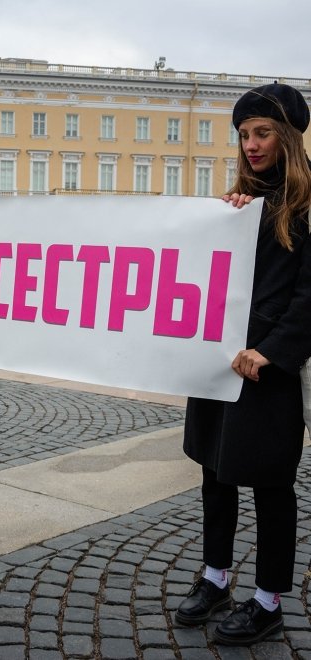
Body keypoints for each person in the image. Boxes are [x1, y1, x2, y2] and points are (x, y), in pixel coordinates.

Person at [176, 83, 311, 646]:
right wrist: (223, 225)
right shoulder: (237, 203)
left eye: (263, 133)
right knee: (215, 471)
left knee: (271, 483)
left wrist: (274, 350)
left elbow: (310, 294)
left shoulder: (306, 205)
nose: (251, 145)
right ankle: (216, 576)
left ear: (289, 137)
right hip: (219, 357)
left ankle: (268, 598)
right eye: (244, 135)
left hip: (267, 368)